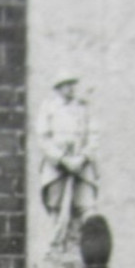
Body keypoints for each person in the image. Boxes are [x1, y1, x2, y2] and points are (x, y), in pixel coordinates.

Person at [38, 77, 97, 249]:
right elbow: (43, 138)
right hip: (56, 165)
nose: (71, 88)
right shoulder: (48, 107)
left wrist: (82, 157)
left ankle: (78, 247)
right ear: (58, 88)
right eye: (66, 85)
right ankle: (56, 246)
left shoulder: (82, 107)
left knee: (84, 205)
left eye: (72, 84)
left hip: (81, 163)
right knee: (55, 206)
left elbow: (94, 136)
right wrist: (62, 159)